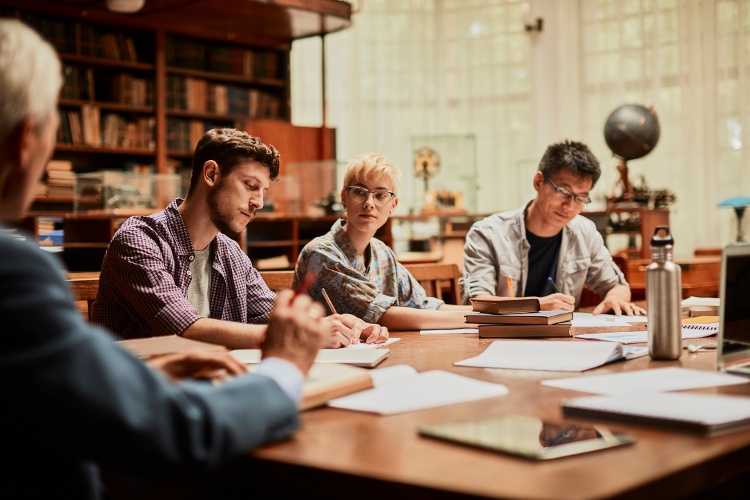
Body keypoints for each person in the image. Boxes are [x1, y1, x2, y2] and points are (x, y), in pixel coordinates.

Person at [0, 18, 328, 498]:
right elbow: (174, 428)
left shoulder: (228, 250)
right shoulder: (22, 270)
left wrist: (150, 374)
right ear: (27, 139)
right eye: (53, 121)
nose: (258, 202)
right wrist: (284, 367)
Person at [93, 128, 387, 348]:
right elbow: (183, 328)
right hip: (134, 405)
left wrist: (342, 325)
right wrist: (307, 335)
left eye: (263, 191)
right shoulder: (139, 240)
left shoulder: (229, 253)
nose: (258, 202)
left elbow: (271, 312)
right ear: (211, 174)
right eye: (250, 186)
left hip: (208, 388)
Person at [463, 140, 645, 315]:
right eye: (564, 192)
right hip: (500, 340)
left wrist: (614, 298)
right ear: (538, 182)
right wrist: (537, 306)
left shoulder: (585, 232)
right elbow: (479, 303)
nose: (570, 206)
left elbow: (617, 286)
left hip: (563, 340)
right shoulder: (488, 234)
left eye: (581, 198)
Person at [293, 152, 471, 330]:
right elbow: (383, 316)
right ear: (344, 197)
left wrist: (484, 314)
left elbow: (422, 305)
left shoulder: (382, 252)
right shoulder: (320, 254)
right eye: (360, 192)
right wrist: (473, 319)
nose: (369, 203)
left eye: (380, 195)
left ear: (393, 205)